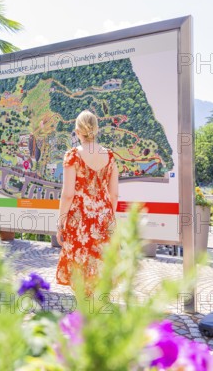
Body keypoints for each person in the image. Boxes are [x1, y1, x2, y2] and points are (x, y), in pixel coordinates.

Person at [55, 110, 119, 292]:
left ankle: (85, 314)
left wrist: (61, 222)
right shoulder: (110, 156)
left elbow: (67, 194)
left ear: (77, 132)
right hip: (105, 217)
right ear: (96, 130)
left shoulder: (73, 156)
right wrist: (108, 218)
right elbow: (114, 194)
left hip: (80, 219)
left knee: (80, 270)